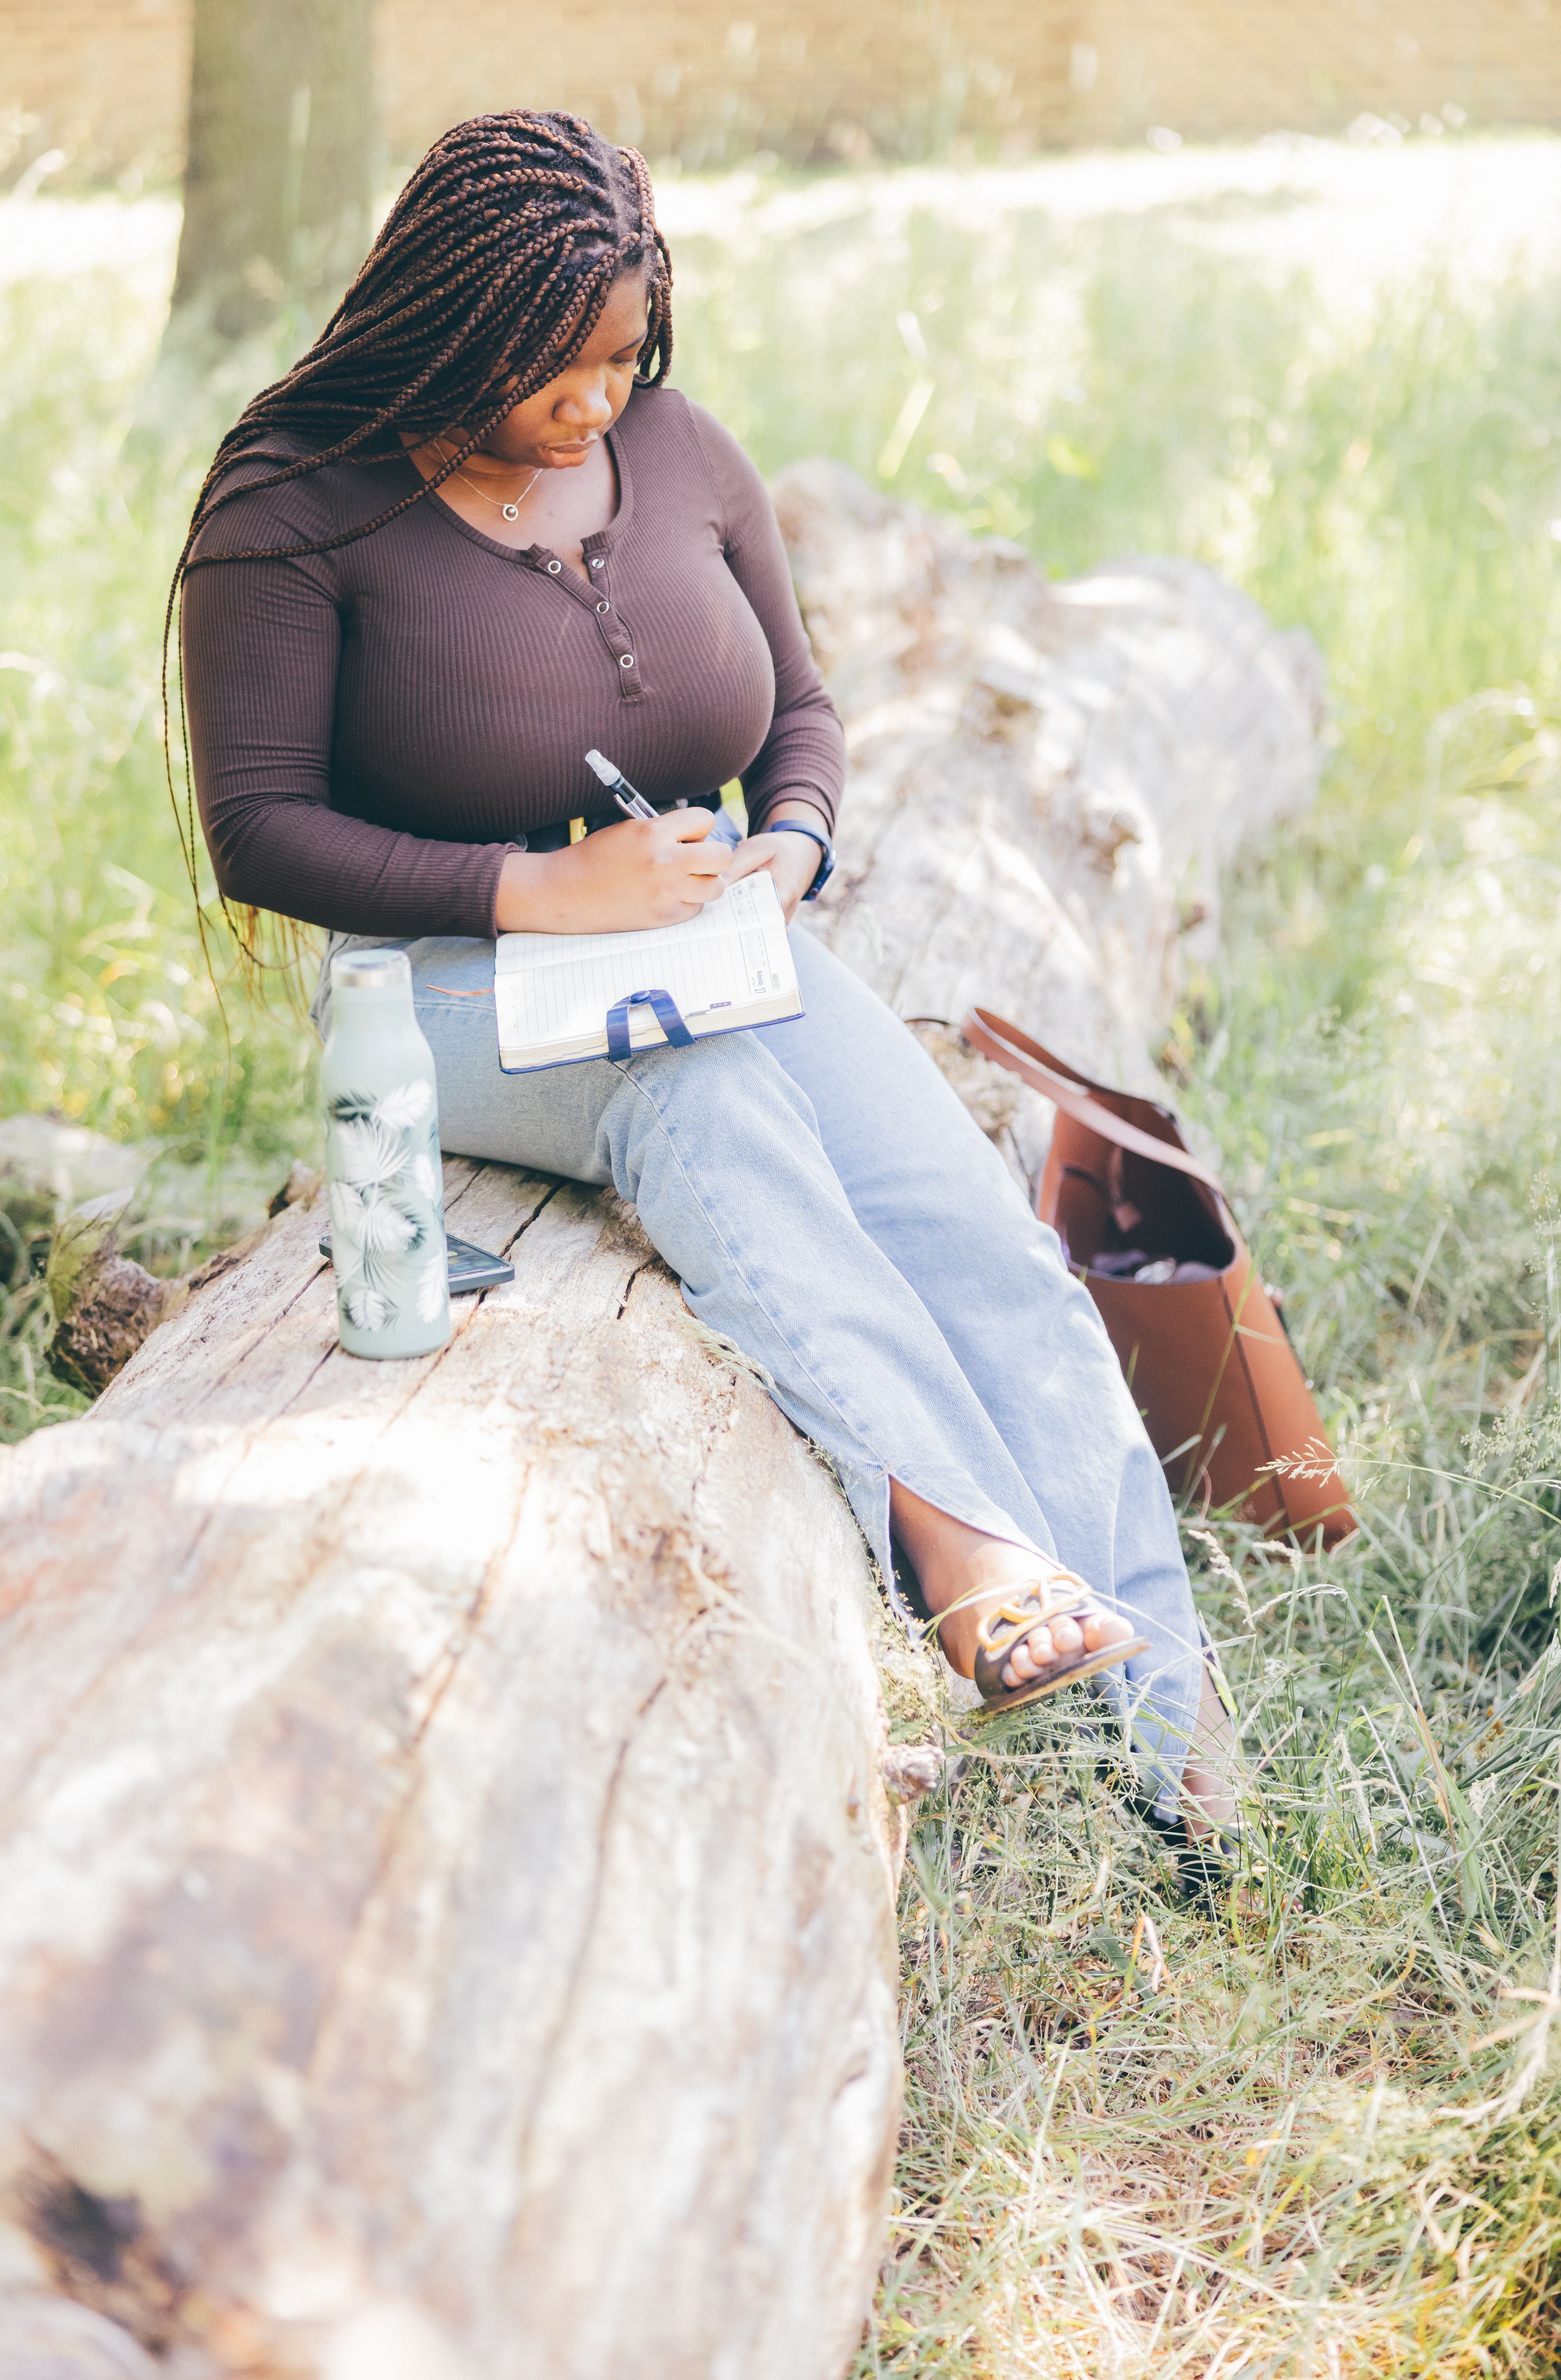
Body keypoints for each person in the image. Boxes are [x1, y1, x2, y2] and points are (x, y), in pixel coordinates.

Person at [175, 110, 1234, 1835]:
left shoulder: (677, 451)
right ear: (450, 317)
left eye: (620, 355)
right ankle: (947, 1530)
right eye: (556, 370)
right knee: (705, 1095)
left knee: (983, 1242)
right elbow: (261, 833)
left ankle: (1170, 1732)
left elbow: (801, 719)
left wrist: (790, 849)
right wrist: (541, 888)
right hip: (438, 996)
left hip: (712, 940)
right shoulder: (295, 508)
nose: (598, 402)